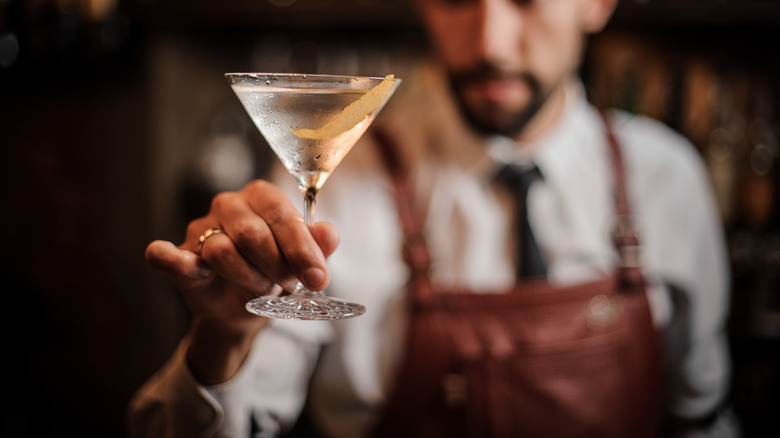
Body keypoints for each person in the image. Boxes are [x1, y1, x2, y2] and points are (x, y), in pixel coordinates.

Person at [129, 0, 739, 436]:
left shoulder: (667, 178)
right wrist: (224, 339)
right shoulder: (339, 170)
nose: (490, 43)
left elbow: (702, 415)